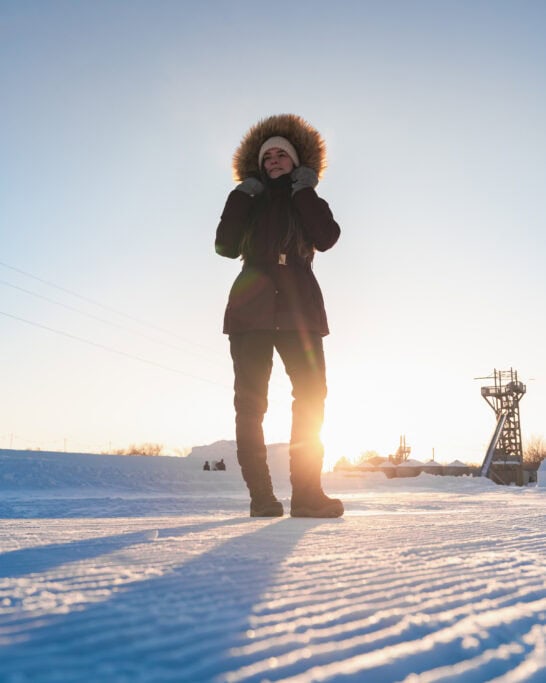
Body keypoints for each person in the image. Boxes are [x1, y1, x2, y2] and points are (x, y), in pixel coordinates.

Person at [215, 114, 343, 519]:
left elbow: (327, 237)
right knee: (250, 405)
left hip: (299, 311)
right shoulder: (246, 200)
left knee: (310, 399)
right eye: (266, 155)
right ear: (258, 163)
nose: (273, 159)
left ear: (296, 160)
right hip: (250, 309)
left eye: (281, 154)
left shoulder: (307, 197)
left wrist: (303, 190)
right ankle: (262, 498)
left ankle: (307, 495)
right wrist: (242, 195)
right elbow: (224, 246)